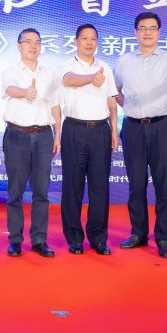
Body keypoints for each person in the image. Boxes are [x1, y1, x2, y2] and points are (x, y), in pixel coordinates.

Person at [114, 12, 167, 259]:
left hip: (161, 125)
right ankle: (138, 233)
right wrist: (129, 107)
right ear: (135, 32)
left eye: (152, 28)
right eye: (142, 28)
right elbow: (115, 90)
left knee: (163, 182)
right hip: (132, 126)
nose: (147, 33)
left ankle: (164, 238)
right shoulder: (124, 61)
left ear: (159, 32)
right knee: (136, 183)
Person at [60, 24, 119, 256]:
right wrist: (91, 78)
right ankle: (74, 238)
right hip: (74, 129)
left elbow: (111, 101)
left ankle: (98, 238)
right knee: (72, 186)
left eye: (93, 38)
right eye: (84, 38)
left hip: (100, 130)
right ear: (76, 41)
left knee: (99, 187)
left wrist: (113, 130)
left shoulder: (105, 67)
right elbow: (69, 80)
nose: (89, 42)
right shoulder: (67, 65)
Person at [2, 28, 61, 258]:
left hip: (44, 136)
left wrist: (57, 134)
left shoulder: (49, 73)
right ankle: (15, 240)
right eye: (28, 42)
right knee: (15, 191)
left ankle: (39, 240)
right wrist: (25, 92)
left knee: (41, 191)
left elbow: (55, 106)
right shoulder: (10, 71)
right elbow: (10, 90)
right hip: (17, 135)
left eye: (37, 42)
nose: (33, 46)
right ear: (19, 46)